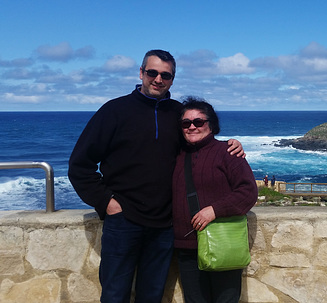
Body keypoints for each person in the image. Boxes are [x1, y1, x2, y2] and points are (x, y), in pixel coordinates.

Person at [68, 49, 245, 303]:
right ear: (141, 73)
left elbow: (197, 142)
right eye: (152, 73)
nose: (158, 79)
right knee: (115, 294)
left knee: (151, 296)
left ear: (173, 79)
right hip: (123, 221)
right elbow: (79, 165)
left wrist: (229, 145)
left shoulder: (177, 114)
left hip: (164, 224)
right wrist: (107, 202)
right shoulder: (114, 111)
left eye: (166, 75)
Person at [172, 97, 258, 303]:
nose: (192, 127)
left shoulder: (227, 152)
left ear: (211, 125)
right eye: (186, 123)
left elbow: (248, 192)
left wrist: (215, 210)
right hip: (187, 247)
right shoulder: (175, 155)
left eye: (198, 122)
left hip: (222, 242)